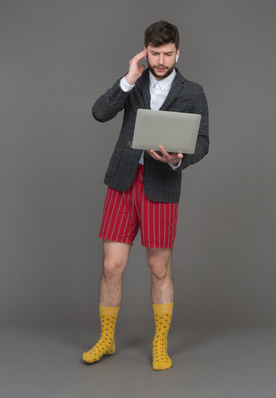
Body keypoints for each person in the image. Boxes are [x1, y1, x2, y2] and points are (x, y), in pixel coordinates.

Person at [82, 20, 209, 371]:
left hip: (161, 183)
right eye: (155, 53)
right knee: (111, 266)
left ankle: (160, 343)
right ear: (145, 51)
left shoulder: (192, 91)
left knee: (158, 268)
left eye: (168, 54)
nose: (161, 60)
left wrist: (177, 159)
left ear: (177, 52)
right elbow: (99, 112)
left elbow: (203, 142)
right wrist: (128, 78)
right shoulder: (133, 84)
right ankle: (106, 340)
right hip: (123, 180)